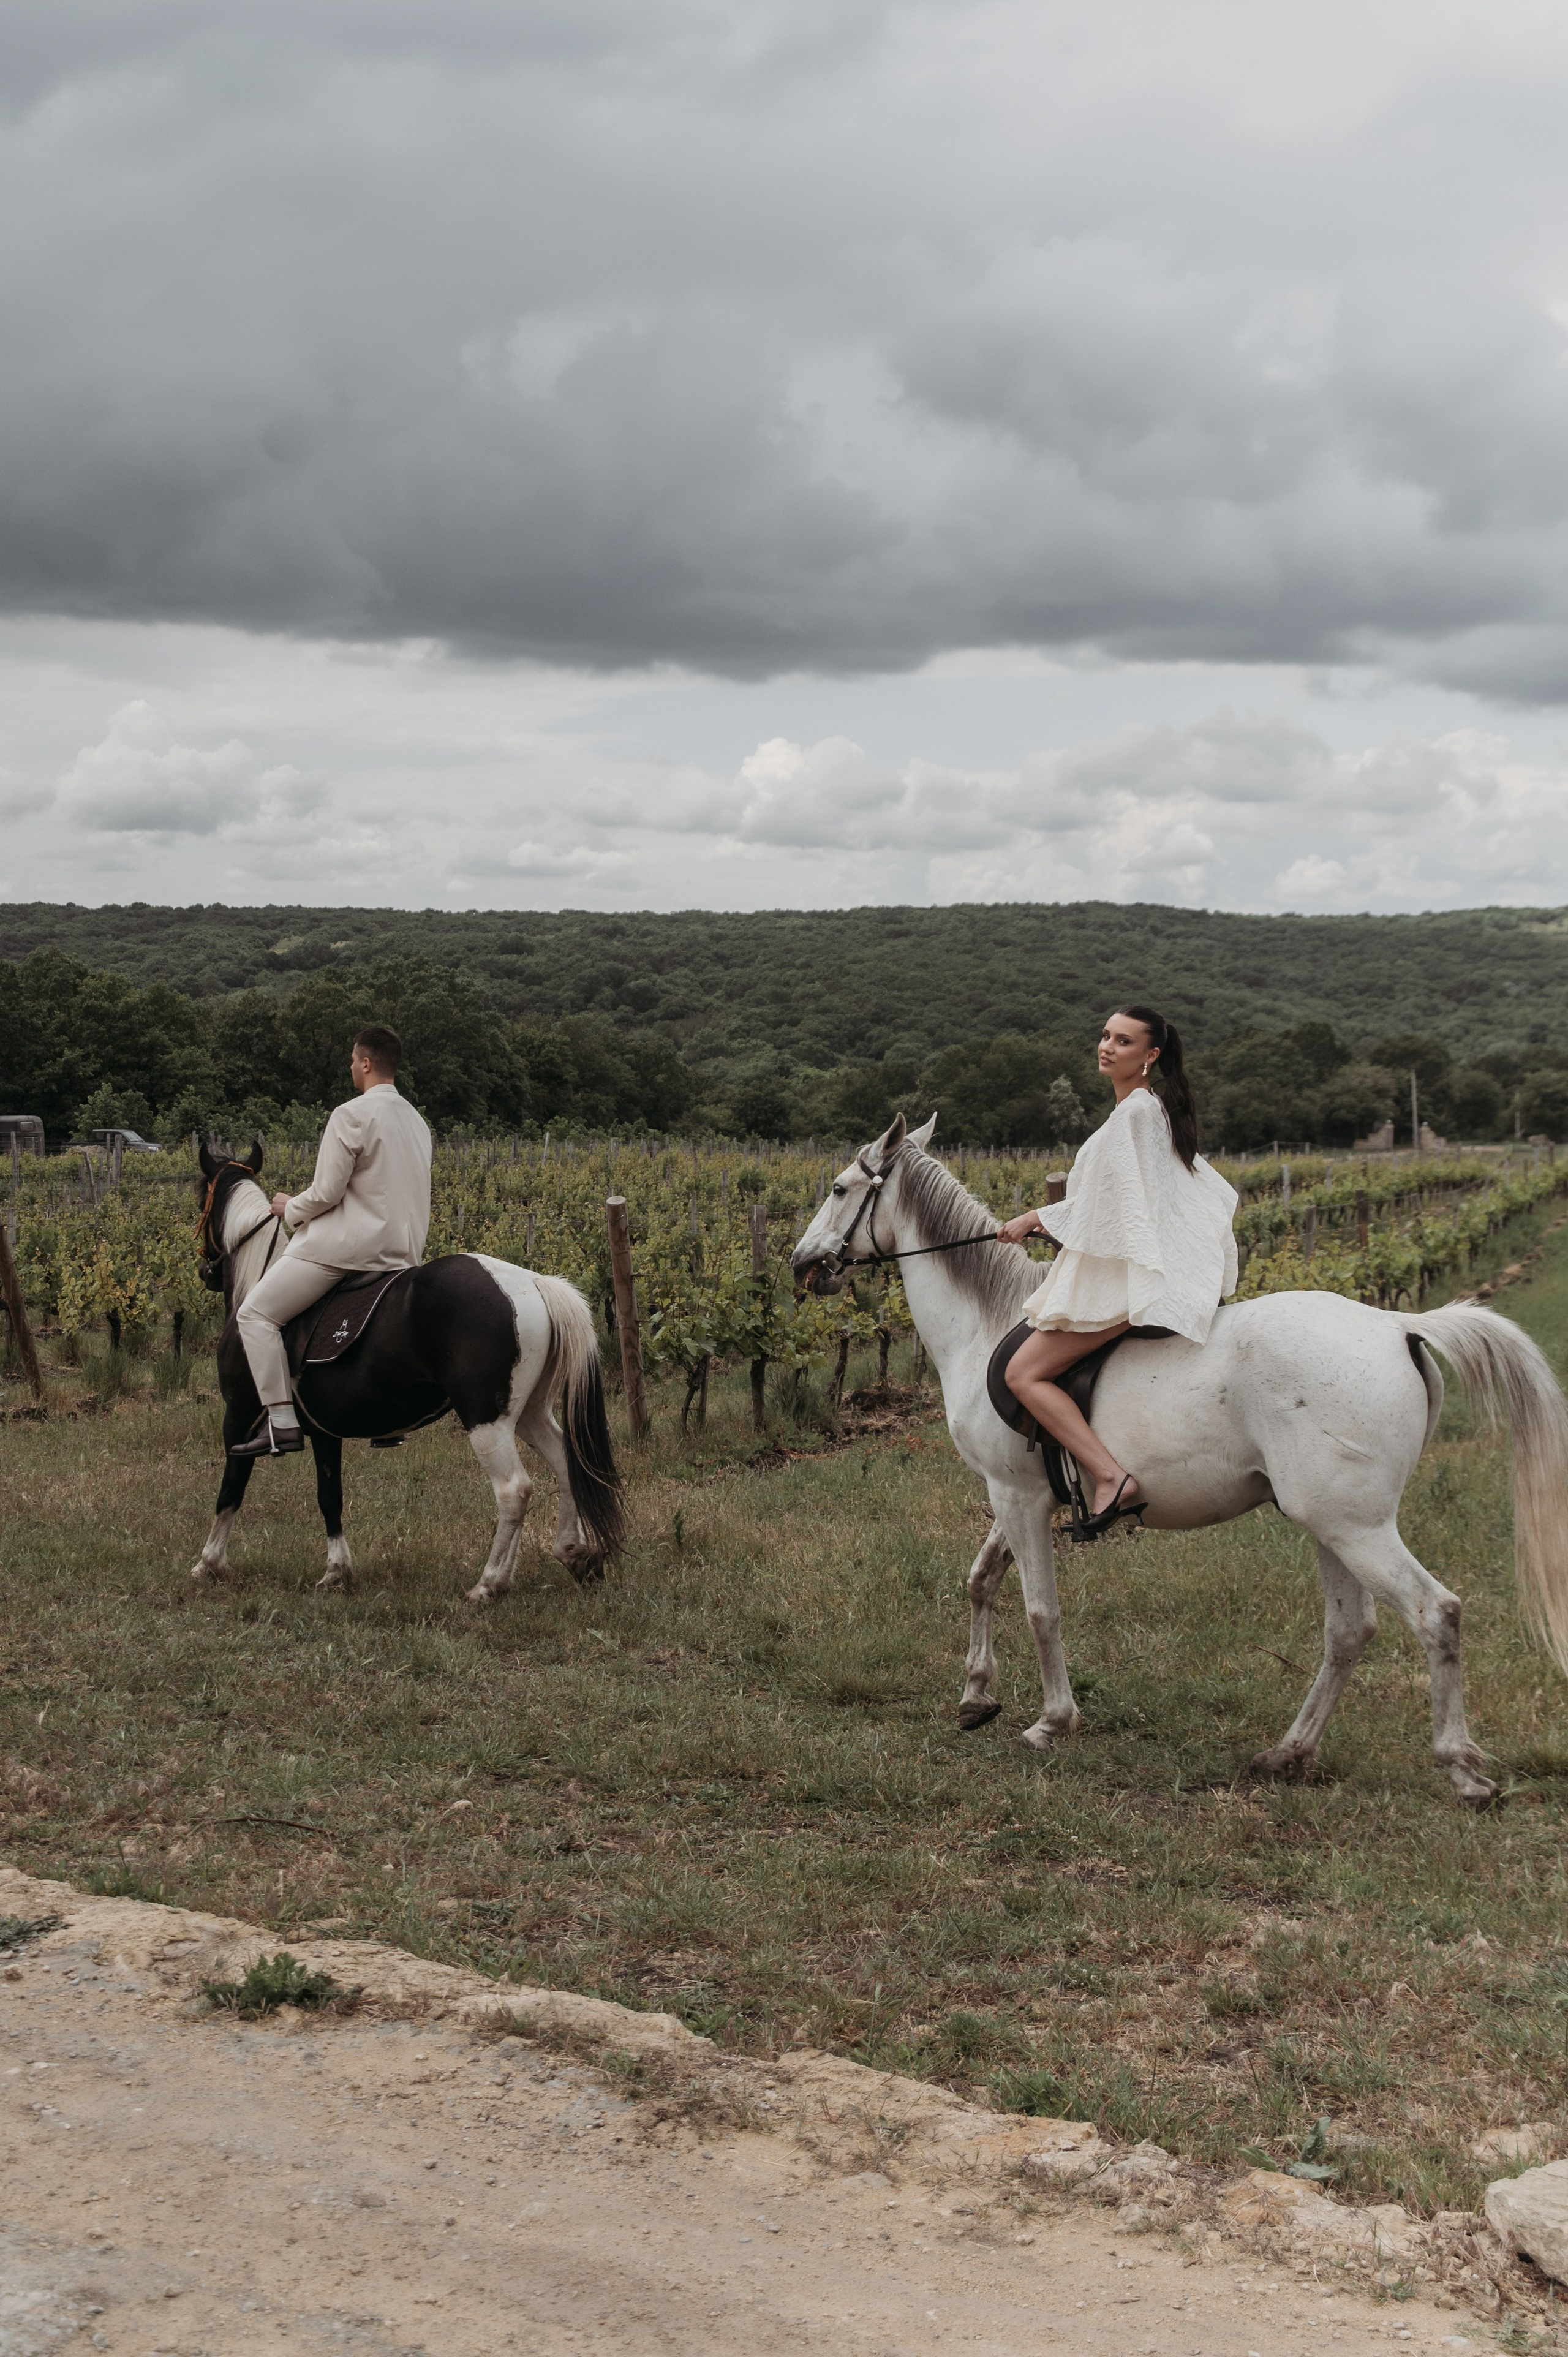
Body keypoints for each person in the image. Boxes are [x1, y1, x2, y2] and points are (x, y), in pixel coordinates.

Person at [997, 1005, 1238, 1535]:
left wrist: (1037, 1215)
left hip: (1137, 1277)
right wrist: (1059, 1226)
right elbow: (1128, 1203)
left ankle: (1109, 1476)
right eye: (1105, 1036)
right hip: (1140, 1262)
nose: (1107, 1047)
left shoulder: (1135, 1114)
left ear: (1150, 1055)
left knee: (1023, 1373)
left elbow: (1121, 1204)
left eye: (1123, 1041)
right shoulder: (1149, 1110)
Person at [230, 1025, 433, 1457]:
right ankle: (386, 1421)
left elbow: (326, 1193)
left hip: (348, 1249)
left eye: (351, 1060)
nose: (350, 1067)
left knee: (255, 1316)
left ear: (365, 1063)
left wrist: (291, 1208)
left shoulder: (350, 1114)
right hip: (403, 1253)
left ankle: (281, 1424)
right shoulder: (418, 1122)